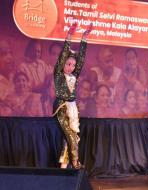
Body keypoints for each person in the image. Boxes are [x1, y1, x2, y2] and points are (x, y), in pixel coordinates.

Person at [52, 22, 92, 169]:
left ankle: (64, 165)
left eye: (73, 65)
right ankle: (75, 165)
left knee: (70, 138)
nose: (71, 67)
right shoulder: (58, 74)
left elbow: (81, 58)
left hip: (73, 107)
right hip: (61, 108)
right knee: (71, 137)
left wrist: (84, 38)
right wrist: (69, 35)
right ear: (63, 64)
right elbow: (63, 55)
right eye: (68, 64)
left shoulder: (74, 75)